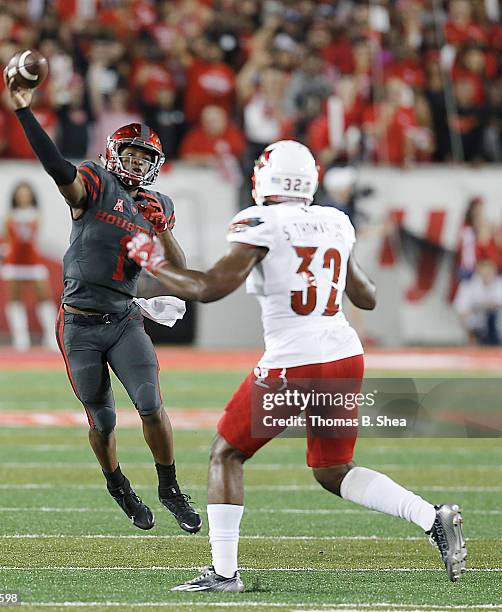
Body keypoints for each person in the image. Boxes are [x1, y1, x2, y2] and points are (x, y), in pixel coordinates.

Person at [127, 140, 467, 591]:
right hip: (344, 355)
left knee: (226, 453)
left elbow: (209, 288)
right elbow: (366, 296)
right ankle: (431, 518)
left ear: (264, 178)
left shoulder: (259, 221)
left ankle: (224, 573)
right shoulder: (334, 221)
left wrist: (151, 262)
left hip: (296, 360)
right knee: (332, 469)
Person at [2, 64, 201, 533]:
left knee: (151, 404)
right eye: (130, 155)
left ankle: (169, 487)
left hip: (125, 320)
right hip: (79, 324)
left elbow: (177, 268)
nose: (135, 163)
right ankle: (118, 485)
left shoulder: (161, 205)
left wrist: (164, 228)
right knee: (103, 420)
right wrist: (25, 112)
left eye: (143, 158)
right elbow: (56, 170)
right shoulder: (95, 182)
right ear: (115, 154)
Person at [0, 182, 57, 351]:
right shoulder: (9, 216)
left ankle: (51, 336)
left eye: (26, 193)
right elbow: (7, 240)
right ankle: (20, 338)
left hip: (33, 261)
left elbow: (35, 238)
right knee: (15, 298)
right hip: (14, 262)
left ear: (31, 196)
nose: (23, 196)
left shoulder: (36, 214)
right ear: (15, 197)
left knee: (43, 296)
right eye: (20, 193)